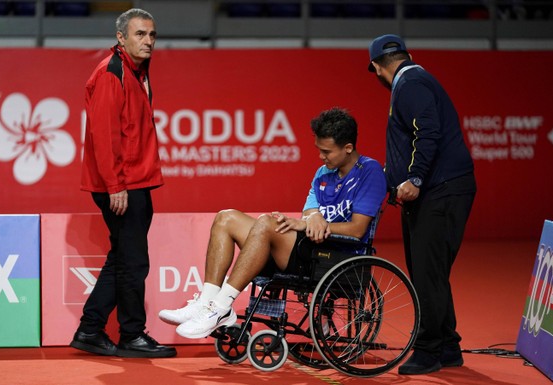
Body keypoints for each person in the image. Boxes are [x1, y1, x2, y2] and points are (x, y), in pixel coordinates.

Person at [158, 107, 387, 339]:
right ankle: (207, 301)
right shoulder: (323, 173)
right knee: (225, 218)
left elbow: (358, 229)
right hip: (307, 248)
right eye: (319, 150)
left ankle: (220, 308)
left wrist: (312, 224)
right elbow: (309, 210)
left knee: (267, 223)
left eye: (327, 151)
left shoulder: (370, 171)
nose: (321, 157)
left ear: (348, 148)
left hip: (336, 256)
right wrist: (312, 217)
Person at [367, 34, 477, 375]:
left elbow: (427, 132)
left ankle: (429, 350)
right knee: (431, 273)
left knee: (428, 274)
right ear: (407, 54)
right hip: (439, 191)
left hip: (439, 191)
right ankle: (447, 345)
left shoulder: (410, 83)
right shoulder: (415, 79)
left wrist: (414, 178)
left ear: (376, 68)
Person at [70, 8, 176, 359]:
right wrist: (116, 185)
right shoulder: (111, 73)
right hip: (123, 185)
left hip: (135, 181)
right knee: (133, 262)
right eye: (140, 34)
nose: (148, 41)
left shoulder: (137, 70)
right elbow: (104, 137)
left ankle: (90, 328)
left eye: (152, 35)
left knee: (122, 259)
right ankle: (132, 335)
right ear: (121, 38)